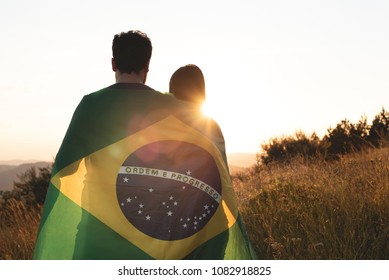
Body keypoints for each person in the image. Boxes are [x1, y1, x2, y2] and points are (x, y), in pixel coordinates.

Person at [33, 30, 256, 260]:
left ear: (113, 63)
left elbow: (64, 170)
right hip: (154, 246)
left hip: (97, 241)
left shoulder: (91, 107)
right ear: (148, 64)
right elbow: (206, 147)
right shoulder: (173, 108)